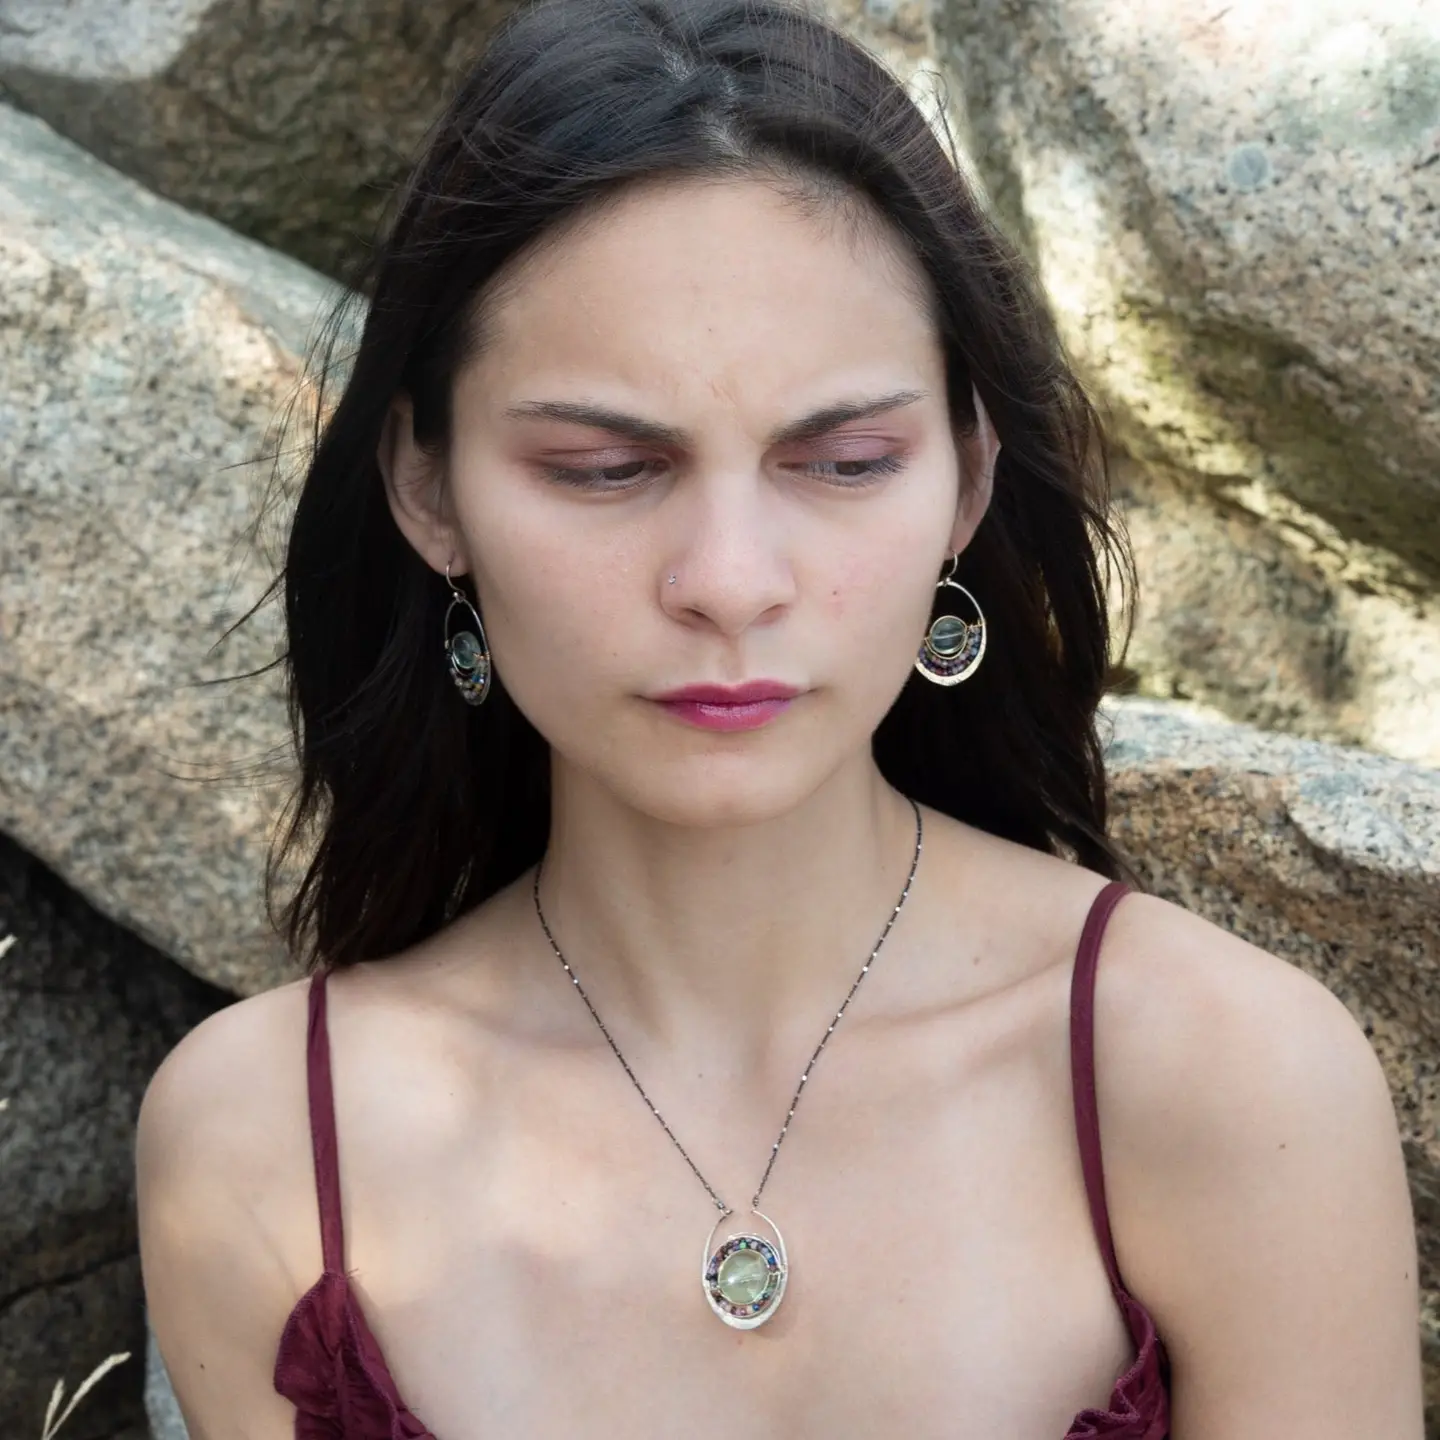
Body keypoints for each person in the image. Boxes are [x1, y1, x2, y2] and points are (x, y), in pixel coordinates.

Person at [135, 0, 1425, 1435]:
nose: (730, 582)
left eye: (847, 460)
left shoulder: (1227, 1077)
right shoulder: (262, 1140)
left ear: (969, 476)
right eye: (605, 469)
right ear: (428, 489)